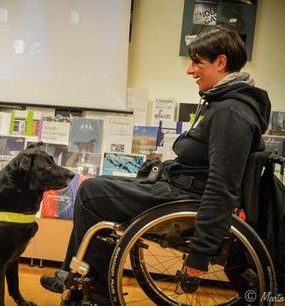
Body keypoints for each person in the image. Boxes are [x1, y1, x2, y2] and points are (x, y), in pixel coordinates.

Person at [40, 25, 271, 305]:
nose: (190, 70)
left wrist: (201, 253)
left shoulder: (231, 113)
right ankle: (75, 274)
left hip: (186, 198)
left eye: (197, 62)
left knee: (92, 194)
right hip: (179, 188)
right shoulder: (225, 104)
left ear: (221, 62)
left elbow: (222, 187)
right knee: (98, 188)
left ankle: (94, 288)